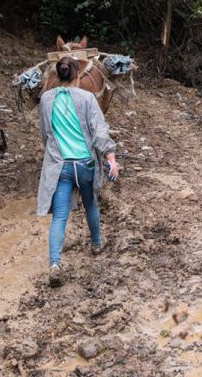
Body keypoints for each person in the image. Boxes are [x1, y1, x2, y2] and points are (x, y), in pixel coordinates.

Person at [37, 57, 120, 287]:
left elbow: (45, 133)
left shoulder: (45, 99)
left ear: (58, 75)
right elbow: (99, 131)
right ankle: (95, 244)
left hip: (60, 166)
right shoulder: (87, 98)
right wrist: (111, 158)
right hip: (86, 165)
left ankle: (55, 264)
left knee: (60, 216)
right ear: (77, 75)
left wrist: (55, 151)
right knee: (90, 203)